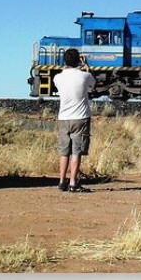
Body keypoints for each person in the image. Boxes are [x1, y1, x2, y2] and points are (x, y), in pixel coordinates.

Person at [53, 48, 96, 193]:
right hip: (81, 118)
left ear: (65, 61)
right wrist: (87, 68)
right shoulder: (84, 76)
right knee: (76, 151)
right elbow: (93, 84)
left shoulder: (57, 78)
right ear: (79, 60)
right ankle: (73, 183)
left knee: (64, 151)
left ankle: (61, 181)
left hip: (63, 118)